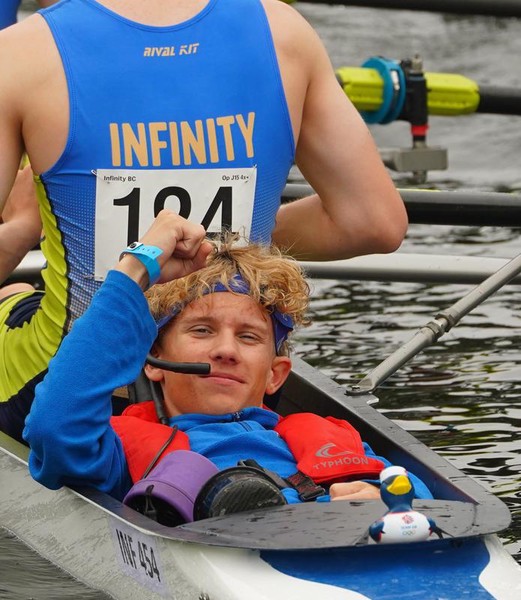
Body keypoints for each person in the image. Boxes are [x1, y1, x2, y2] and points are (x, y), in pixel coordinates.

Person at [0, 0, 408, 441]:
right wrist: (234, 240)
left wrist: (21, 230)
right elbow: (372, 223)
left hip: (70, 396)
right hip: (230, 388)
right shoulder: (283, 32)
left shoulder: (22, 51)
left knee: (12, 293)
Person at [24, 211, 430, 518]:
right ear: (154, 362)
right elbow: (53, 427)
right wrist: (135, 268)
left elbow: (425, 500)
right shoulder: (116, 451)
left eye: (249, 337)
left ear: (275, 375)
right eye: (202, 331)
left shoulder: (333, 437)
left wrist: (388, 497)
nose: (226, 351)